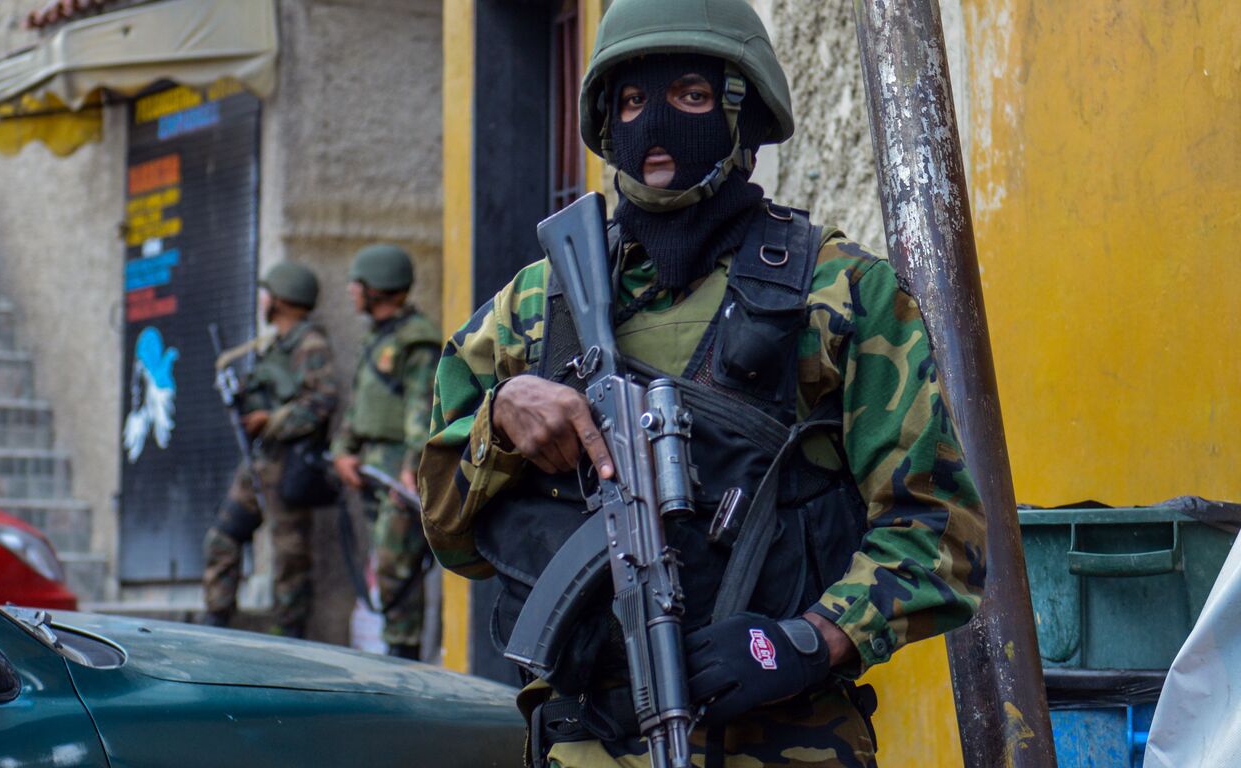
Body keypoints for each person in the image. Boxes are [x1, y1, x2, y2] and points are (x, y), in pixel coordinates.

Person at [415, 0, 988, 765]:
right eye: (629, 102)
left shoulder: (839, 290)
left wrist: (810, 639)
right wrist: (501, 423)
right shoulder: (532, 308)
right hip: (586, 742)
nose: (652, 126)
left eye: (689, 96)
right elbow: (449, 534)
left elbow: (941, 532)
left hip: (787, 743)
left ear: (742, 114)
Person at [202, 261, 339, 638]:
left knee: (289, 559)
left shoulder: (309, 344)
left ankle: (289, 637)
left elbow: (322, 402)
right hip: (261, 462)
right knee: (222, 537)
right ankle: (215, 623)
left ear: (280, 300)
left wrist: (270, 420)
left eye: (266, 294)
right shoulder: (276, 346)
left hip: (289, 465)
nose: (262, 301)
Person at [331, 244, 443, 660]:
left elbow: (422, 409)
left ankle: (404, 659)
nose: (350, 291)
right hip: (372, 470)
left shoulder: (417, 341)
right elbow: (361, 404)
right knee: (384, 567)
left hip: (399, 472)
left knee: (398, 571)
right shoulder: (378, 338)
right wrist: (343, 450)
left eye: (356, 283)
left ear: (377, 287)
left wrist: (412, 470)